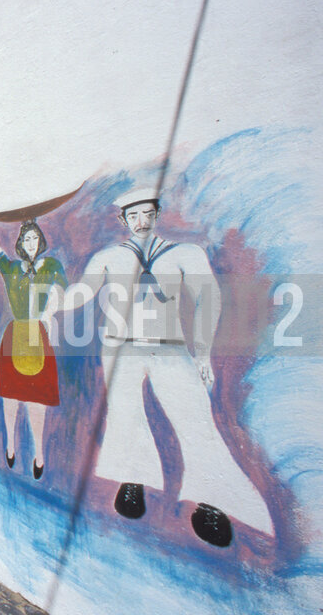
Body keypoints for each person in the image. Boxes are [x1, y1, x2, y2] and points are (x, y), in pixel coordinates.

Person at [66, 187, 273, 547]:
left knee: (195, 418)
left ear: (157, 214)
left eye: (147, 214)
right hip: (120, 348)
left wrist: (203, 352)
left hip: (169, 347)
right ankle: (133, 483)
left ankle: (211, 502)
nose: (141, 222)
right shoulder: (110, 256)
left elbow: (209, 298)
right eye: (133, 216)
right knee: (125, 416)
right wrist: (54, 302)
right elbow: (83, 291)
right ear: (123, 220)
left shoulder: (183, 253)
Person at [0, 217, 67, 480]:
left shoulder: (51, 265)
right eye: (27, 239)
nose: (31, 243)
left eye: (35, 239)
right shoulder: (12, 268)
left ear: (41, 242)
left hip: (39, 334)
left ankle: (39, 453)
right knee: (11, 395)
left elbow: (63, 291)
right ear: (21, 243)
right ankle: (10, 443)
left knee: (37, 399)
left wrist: (50, 311)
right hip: (16, 334)